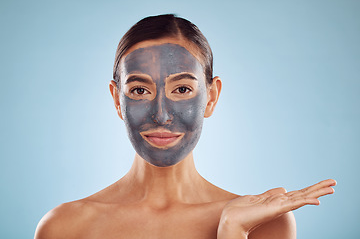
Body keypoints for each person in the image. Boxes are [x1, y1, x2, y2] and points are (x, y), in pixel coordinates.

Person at [34, 14, 336, 239]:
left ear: (211, 97)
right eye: (140, 90)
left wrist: (231, 230)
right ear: (117, 99)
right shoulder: (65, 227)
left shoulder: (265, 224)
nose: (162, 115)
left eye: (182, 90)